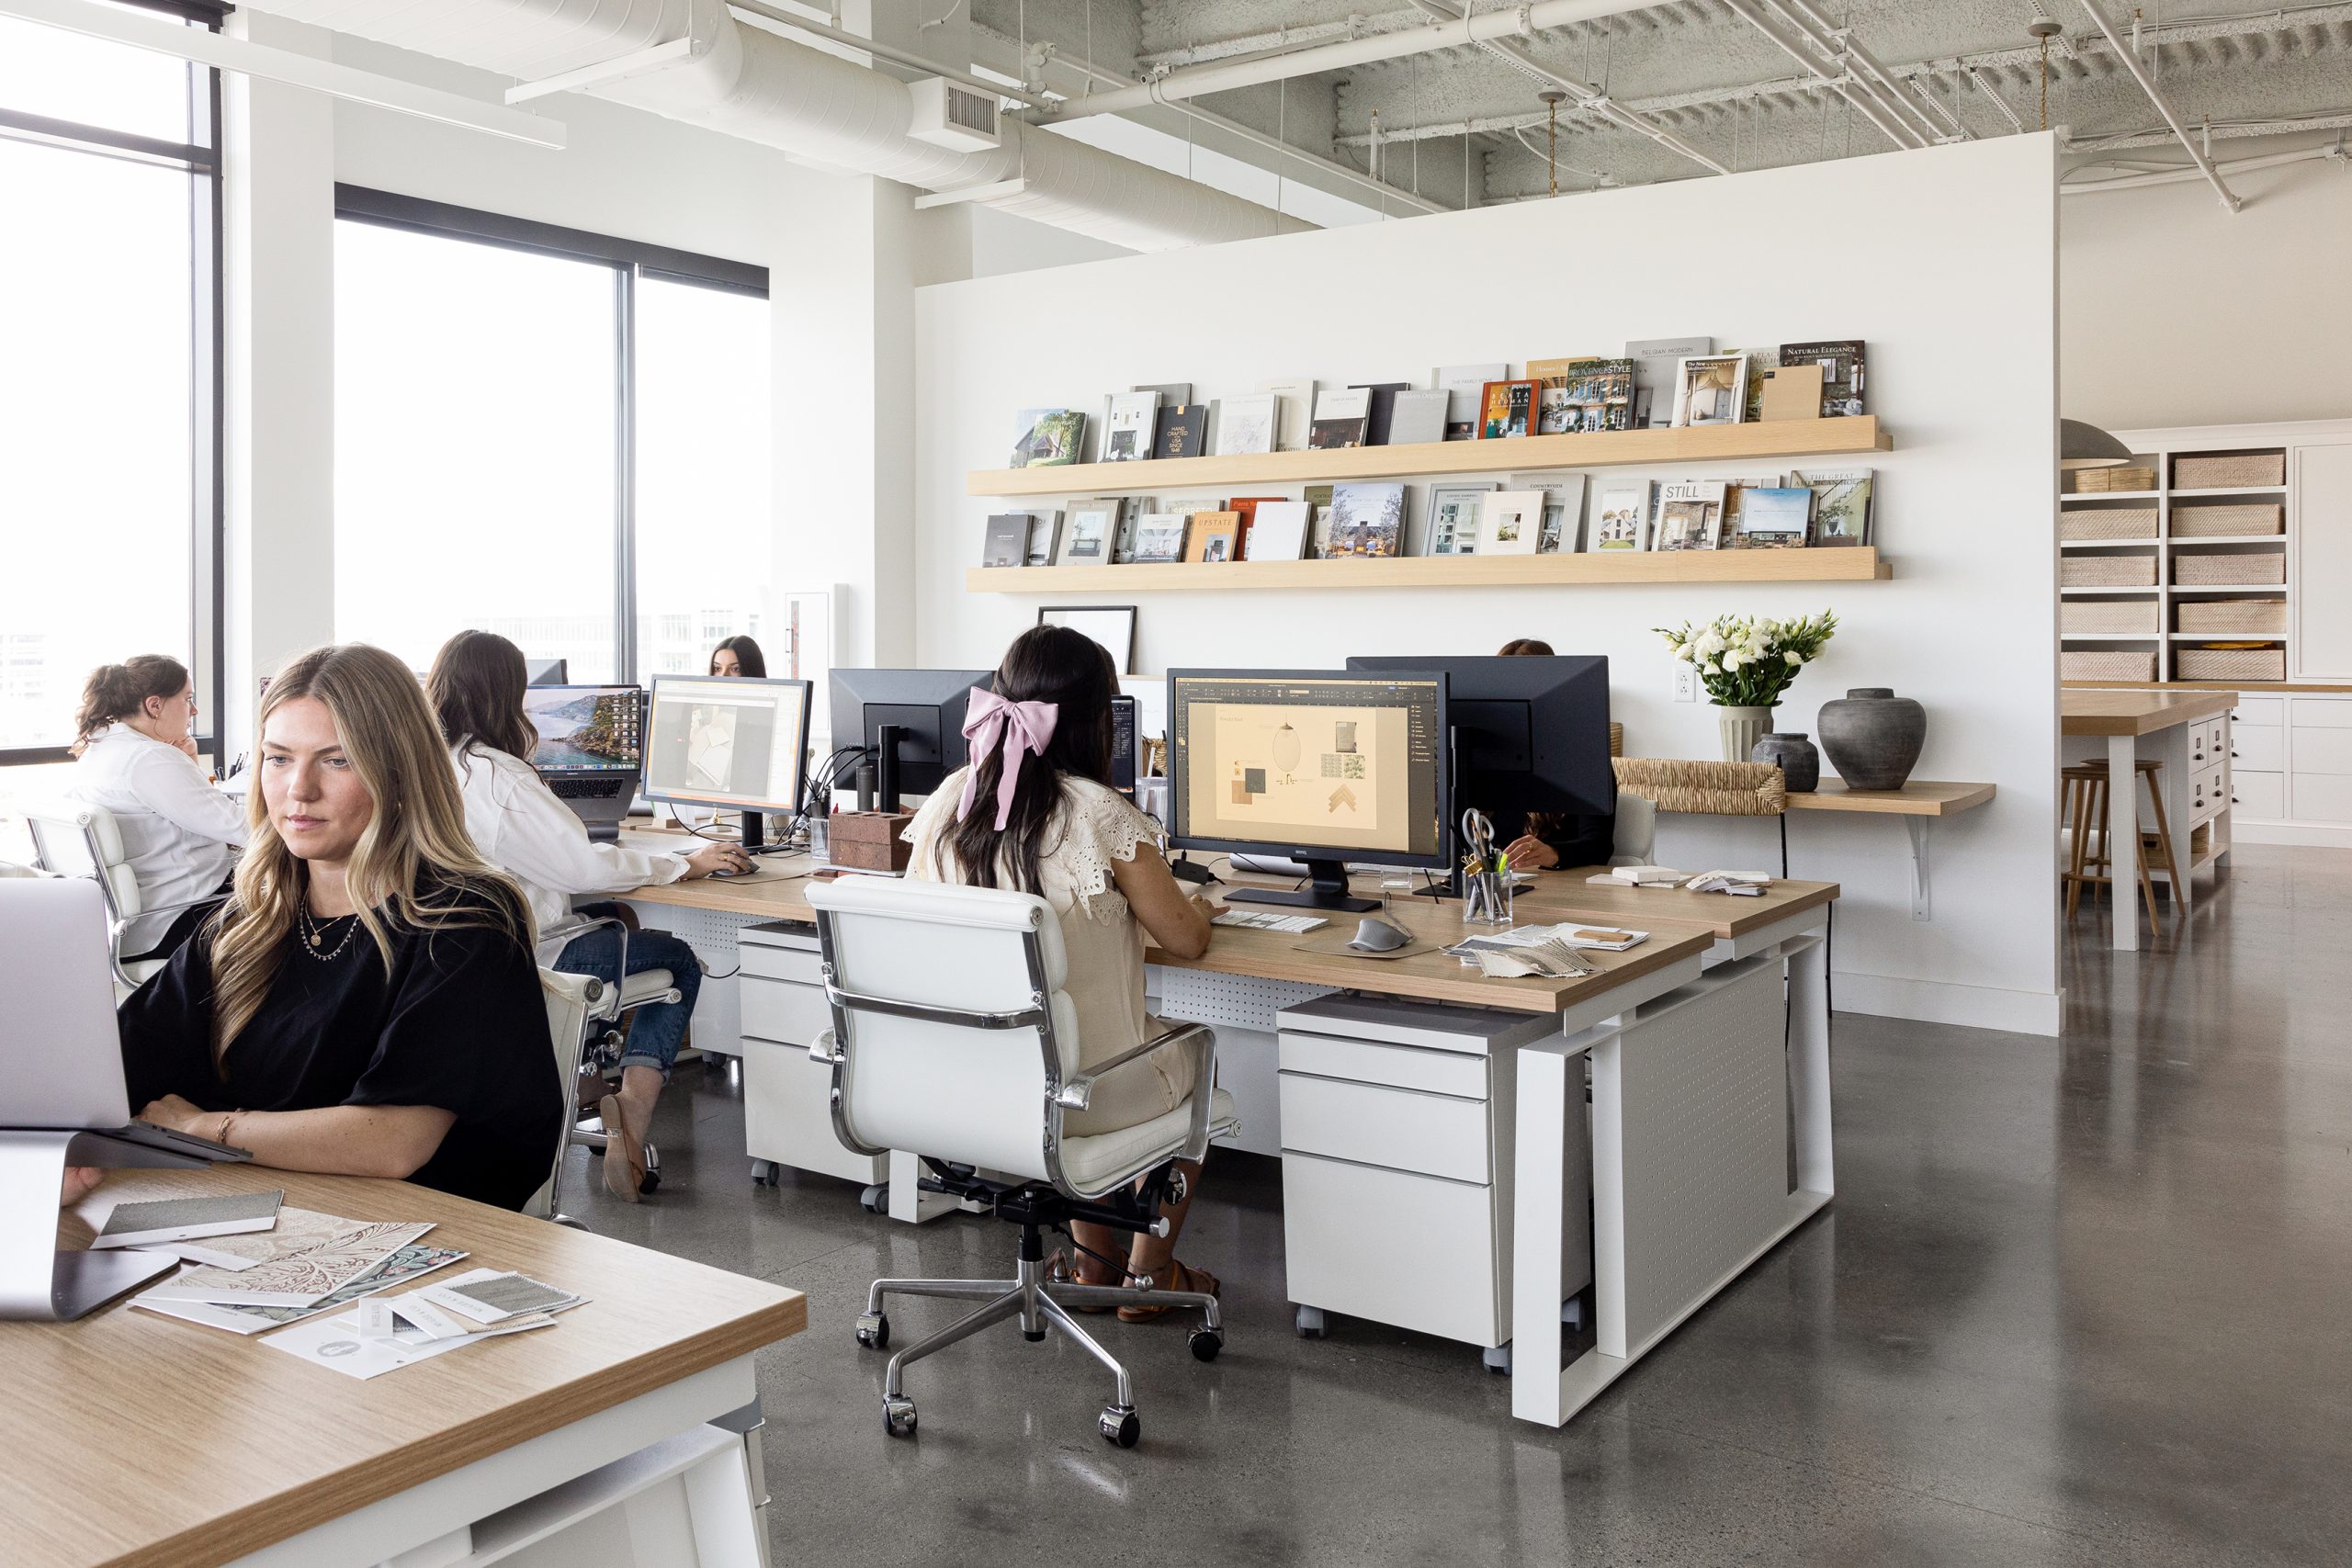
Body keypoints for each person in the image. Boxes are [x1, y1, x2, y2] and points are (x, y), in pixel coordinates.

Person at [117, 644, 562, 1211]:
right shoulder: (245, 919)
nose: (299, 790)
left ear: (400, 772)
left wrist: (205, 1128)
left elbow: (393, 1143)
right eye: (277, 759)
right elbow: (124, 1062)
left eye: (337, 760)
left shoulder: (465, 920)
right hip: (260, 1212)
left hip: (416, 1236)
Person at [903, 625, 1220, 1319]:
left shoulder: (949, 803)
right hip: (1084, 1096)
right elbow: (1188, 939)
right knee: (1190, 1051)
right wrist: (1191, 900)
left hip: (971, 1086)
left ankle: (1090, 1265)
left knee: (1063, 1046)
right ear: (1099, 722)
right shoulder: (1101, 812)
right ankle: (1148, 1277)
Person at [428, 630, 747, 1202]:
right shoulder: (500, 778)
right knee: (677, 960)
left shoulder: (431, 768)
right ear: (506, 695)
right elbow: (579, 868)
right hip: (531, 957)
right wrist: (684, 865)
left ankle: (582, 1079)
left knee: (618, 914)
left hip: (466, 961)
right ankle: (631, 1112)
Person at [66, 656, 246, 964]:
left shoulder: (99, 750)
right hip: (182, 916)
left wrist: (188, 763)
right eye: (187, 699)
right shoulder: (149, 759)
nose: (194, 711)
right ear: (154, 705)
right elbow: (243, 829)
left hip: (136, 925)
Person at [1493, 637, 1617, 874]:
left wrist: (1553, 853)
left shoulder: (1584, 757)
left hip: (1558, 890)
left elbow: (1599, 846)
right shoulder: (1485, 754)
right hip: (1494, 887)